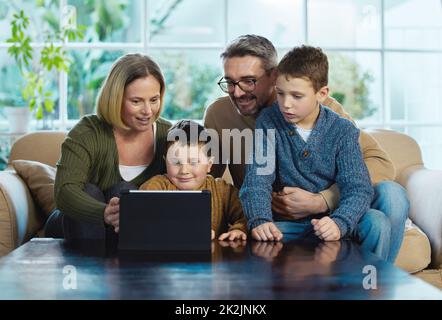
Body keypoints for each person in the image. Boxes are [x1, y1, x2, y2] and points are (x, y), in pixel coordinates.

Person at [204, 34, 408, 263]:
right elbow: (213, 178)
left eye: (249, 81)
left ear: (274, 75)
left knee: (392, 196)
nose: (237, 92)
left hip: (333, 212)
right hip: (277, 218)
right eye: (230, 82)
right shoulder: (223, 115)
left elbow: (376, 166)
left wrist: (323, 200)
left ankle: (375, 281)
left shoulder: (330, 115)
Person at [240, 45, 391, 259]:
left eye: (297, 96)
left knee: (377, 222)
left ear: (322, 94)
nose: (286, 104)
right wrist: (260, 219)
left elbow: (358, 188)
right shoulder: (268, 122)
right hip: (290, 226)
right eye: (280, 93)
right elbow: (257, 179)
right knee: (255, 235)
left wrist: (340, 222)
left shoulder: (342, 130)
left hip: (333, 223)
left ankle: (369, 287)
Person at [47, 53, 172, 241]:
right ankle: (92, 270)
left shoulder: (169, 136)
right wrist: (104, 213)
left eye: (154, 100)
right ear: (115, 98)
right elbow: (64, 192)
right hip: (74, 227)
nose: (148, 111)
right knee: (90, 191)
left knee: (125, 192)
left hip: (129, 233)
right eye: (136, 101)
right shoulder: (87, 132)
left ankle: (125, 268)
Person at [139, 120, 247, 241]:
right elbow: (139, 215)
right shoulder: (157, 186)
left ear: (209, 165)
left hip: (211, 256)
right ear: (165, 162)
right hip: (168, 255)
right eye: (176, 162)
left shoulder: (222, 190)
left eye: (193, 162)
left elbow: (246, 215)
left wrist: (238, 229)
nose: (184, 170)